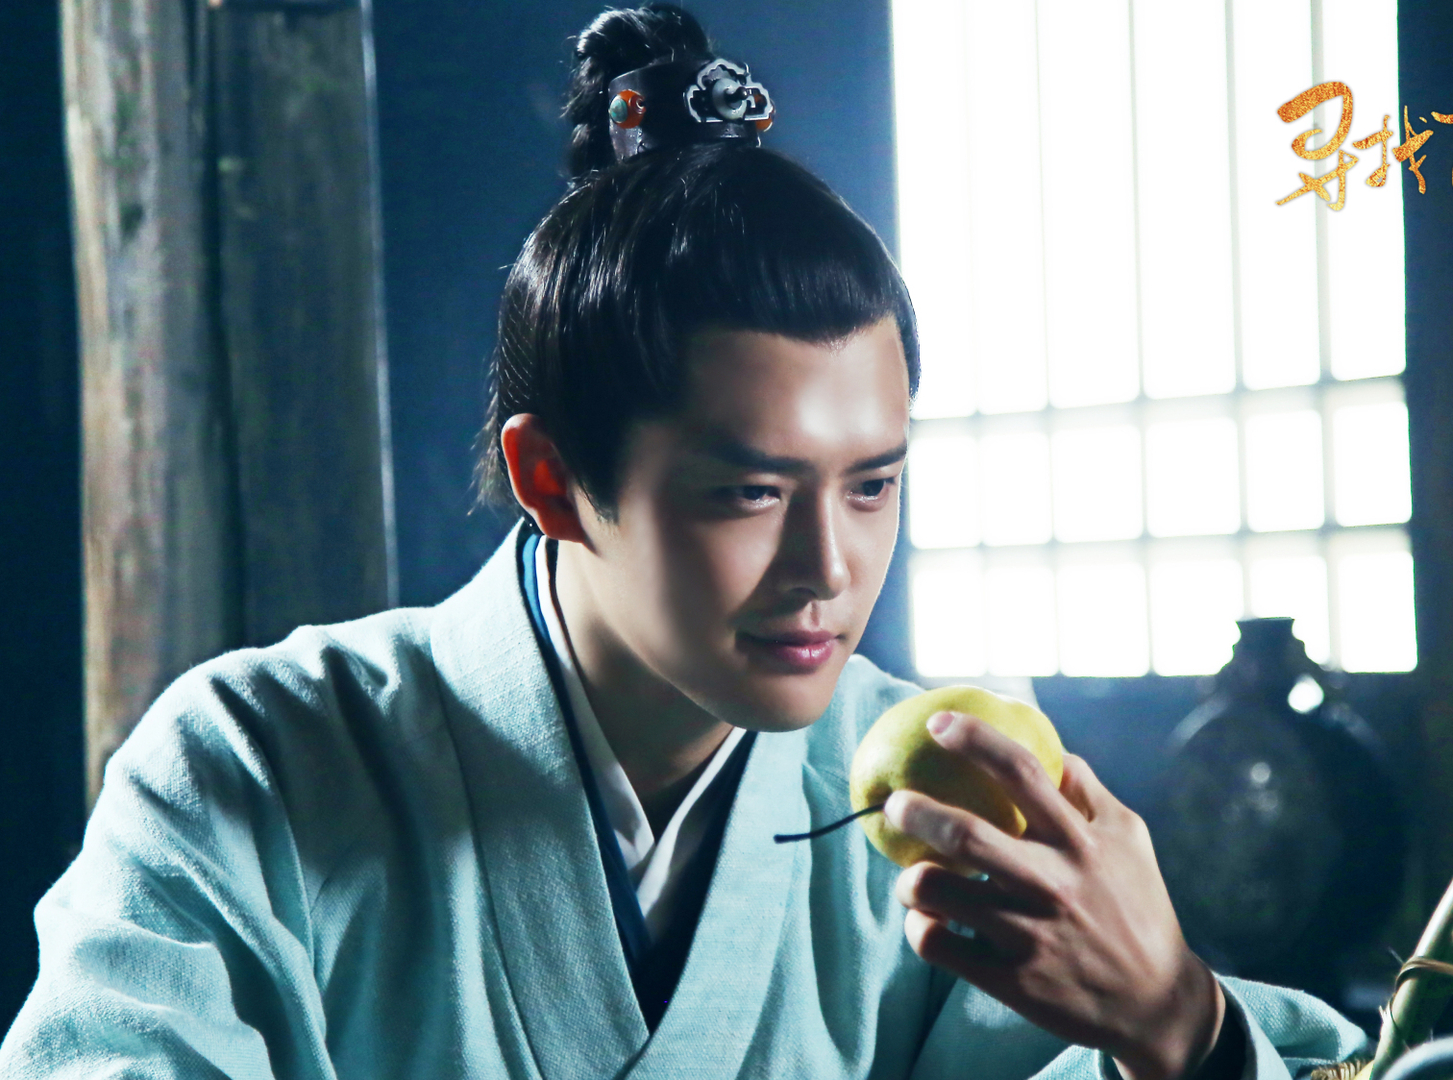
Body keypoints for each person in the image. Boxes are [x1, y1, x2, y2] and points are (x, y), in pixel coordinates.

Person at [0, 7, 1367, 1077]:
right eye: (750, 494)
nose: (829, 570)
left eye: (873, 486)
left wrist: (1178, 1024)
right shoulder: (252, 765)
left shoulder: (944, 821)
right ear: (551, 479)